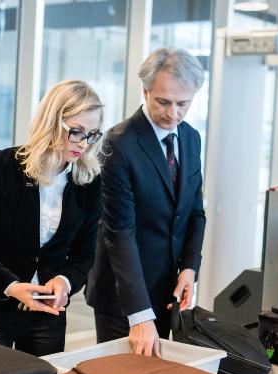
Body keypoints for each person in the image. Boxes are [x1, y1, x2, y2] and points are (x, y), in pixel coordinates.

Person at [0, 80, 103, 356]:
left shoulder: (89, 182)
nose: (83, 144)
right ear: (51, 122)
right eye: (76, 132)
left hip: (48, 312)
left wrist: (65, 282)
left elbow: (84, 255)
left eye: (91, 135)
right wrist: (10, 286)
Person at [85, 48, 207, 356]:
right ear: (145, 90)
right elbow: (119, 232)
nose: (173, 113)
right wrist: (138, 314)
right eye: (163, 101)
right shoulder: (119, 143)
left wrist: (189, 267)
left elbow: (195, 212)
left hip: (167, 290)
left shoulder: (191, 138)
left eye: (184, 103)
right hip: (123, 294)